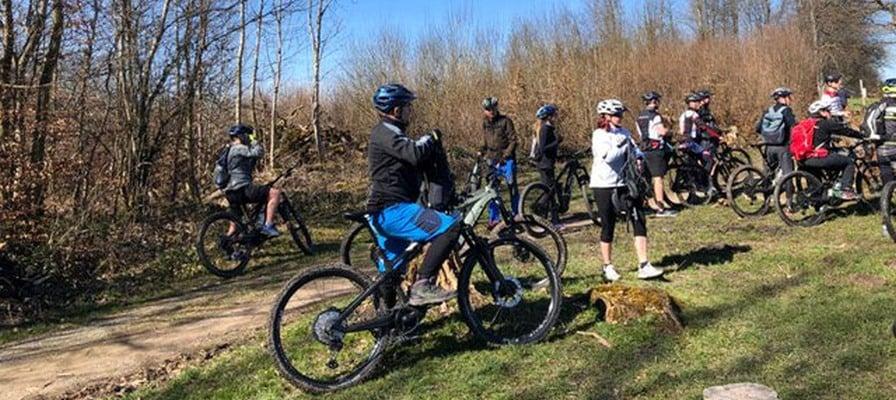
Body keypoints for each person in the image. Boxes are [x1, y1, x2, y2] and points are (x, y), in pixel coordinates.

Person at [368, 83, 461, 306]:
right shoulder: (385, 132)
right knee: (450, 227)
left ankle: (387, 320)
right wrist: (431, 137)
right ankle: (422, 285)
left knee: (391, 274)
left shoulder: (389, 133)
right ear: (396, 110)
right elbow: (415, 153)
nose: (411, 111)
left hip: (384, 211)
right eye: (408, 107)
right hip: (394, 211)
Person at [590, 99, 664, 282]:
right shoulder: (599, 135)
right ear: (606, 116)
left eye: (621, 114)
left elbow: (636, 150)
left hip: (625, 183)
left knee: (639, 218)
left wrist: (638, 157)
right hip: (603, 185)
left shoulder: (624, 132)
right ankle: (607, 266)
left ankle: (644, 264)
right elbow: (608, 157)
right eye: (616, 114)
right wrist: (623, 145)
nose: (620, 117)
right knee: (608, 225)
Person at [220, 124, 282, 237]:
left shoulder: (229, 150)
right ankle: (268, 225)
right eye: (247, 136)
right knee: (275, 193)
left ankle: (227, 242)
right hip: (241, 188)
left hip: (230, 192)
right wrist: (254, 141)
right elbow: (258, 152)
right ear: (242, 136)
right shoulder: (238, 148)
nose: (248, 138)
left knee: (234, 225)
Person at [802, 99, 865, 200]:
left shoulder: (805, 124)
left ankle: (820, 201)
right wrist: (861, 135)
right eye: (827, 110)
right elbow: (845, 131)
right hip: (818, 158)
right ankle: (845, 190)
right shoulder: (825, 123)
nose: (830, 113)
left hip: (804, 158)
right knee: (848, 162)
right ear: (821, 112)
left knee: (835, 156)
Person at [479, 96, 519, 227]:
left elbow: (513, 140)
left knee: (512, 186)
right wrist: (481, 150)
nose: (491, 111)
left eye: (493, 108)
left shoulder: (505, 121)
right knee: (492, 189)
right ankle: (494, 219)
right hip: (492, 159)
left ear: (496, 108)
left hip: (506, 159)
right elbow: (485, 140)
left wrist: (507, 155)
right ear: (485, 110)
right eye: (488, 109)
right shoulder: (485, 123)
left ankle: (516, 214)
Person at [636, 91, 676, 217]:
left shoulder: (639, 116)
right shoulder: (655, 116)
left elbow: (640, 134)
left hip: (643, 148)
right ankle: (660, 209)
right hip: (655, 149)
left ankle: (644, 205)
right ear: (655, 101)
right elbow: (662, 132)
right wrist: (670, 130)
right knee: (658, 178)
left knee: (646, 178)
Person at [532, 103, 563, 228]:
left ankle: (552, 218)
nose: (556, 117)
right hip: (545, 163)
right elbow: (544, 148)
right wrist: (557, 141)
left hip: (546, 162)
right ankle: (550, 218)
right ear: (549, 117)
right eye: (554, 115)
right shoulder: (545, 129)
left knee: (550, 190)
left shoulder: (545, 128)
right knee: (549, 191)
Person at [755, 87, 796, 178]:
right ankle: (788, 188)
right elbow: (794, 126)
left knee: (768, 175)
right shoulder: (786, 110)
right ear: (783, 98)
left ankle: (767, 187)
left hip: (768, 147)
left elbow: (758, 128)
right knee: (788, 176)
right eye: (789, 97)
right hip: (782, 147)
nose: (790, 100)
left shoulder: (768, 111)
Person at [679, 93, 715, 191]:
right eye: (696, 102)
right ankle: (704, 184)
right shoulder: (694, 114)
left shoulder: (683, 114)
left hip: (683, 142)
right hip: (691, 142)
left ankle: (694, 182)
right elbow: (703, 127)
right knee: (708, 158)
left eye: (698, 101)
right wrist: (716, 135)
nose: (698, 103)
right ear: (690, 103)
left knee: (693, 164)